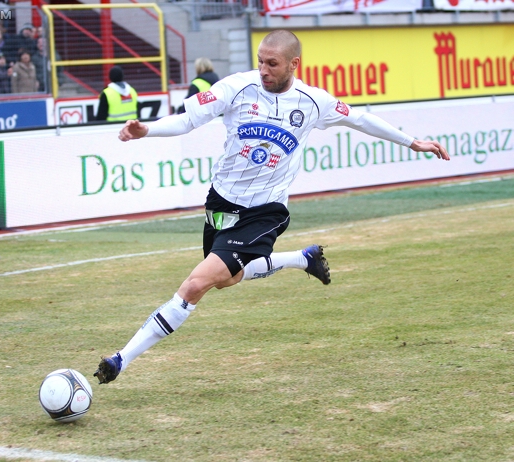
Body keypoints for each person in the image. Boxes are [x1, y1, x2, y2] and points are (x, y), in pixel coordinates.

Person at [93, 29, 450, 385]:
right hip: (221, 202)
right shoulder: (237, 87)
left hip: (265, 210)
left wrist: (411, 141)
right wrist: (148, 130)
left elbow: (359, 118)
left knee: (195, 285)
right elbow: (187, 120)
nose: (263, 69)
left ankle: (120, 360)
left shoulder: (313, 102)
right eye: (260, 61)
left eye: (272, 63)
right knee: (226, 279)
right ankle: (302, 258)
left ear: (294, 64)